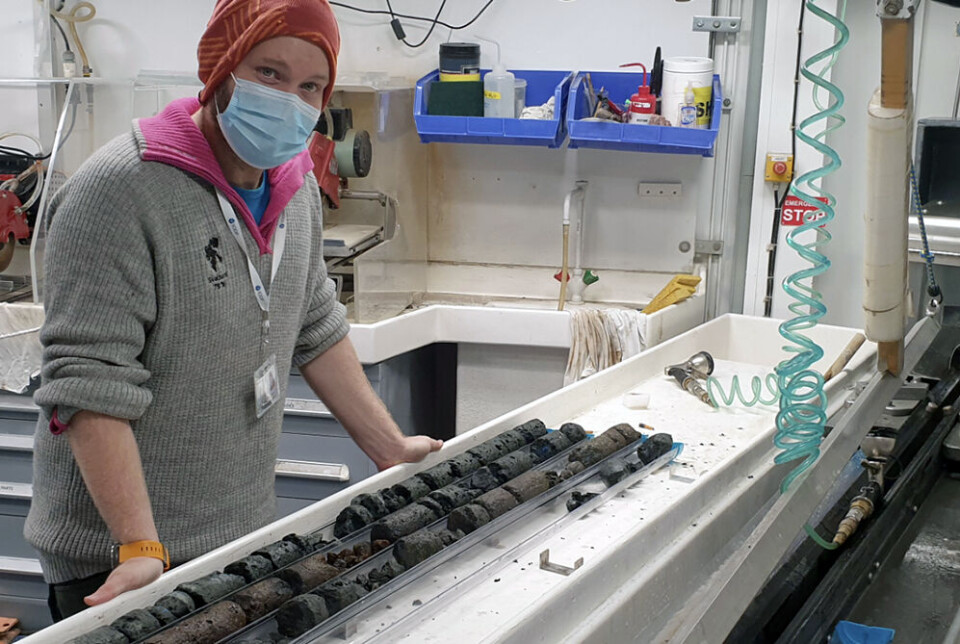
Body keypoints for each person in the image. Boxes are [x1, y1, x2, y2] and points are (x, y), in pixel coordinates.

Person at [24, 0, 442, 621]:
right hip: (125, 557)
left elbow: (315, 323)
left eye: (310, 87)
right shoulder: (118, 191)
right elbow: (90, 384)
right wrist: (140, 545)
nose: (289, 101)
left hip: (238, 538)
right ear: (221, 67)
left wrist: (390, 448)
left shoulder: (292, 182)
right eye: (269, 74)